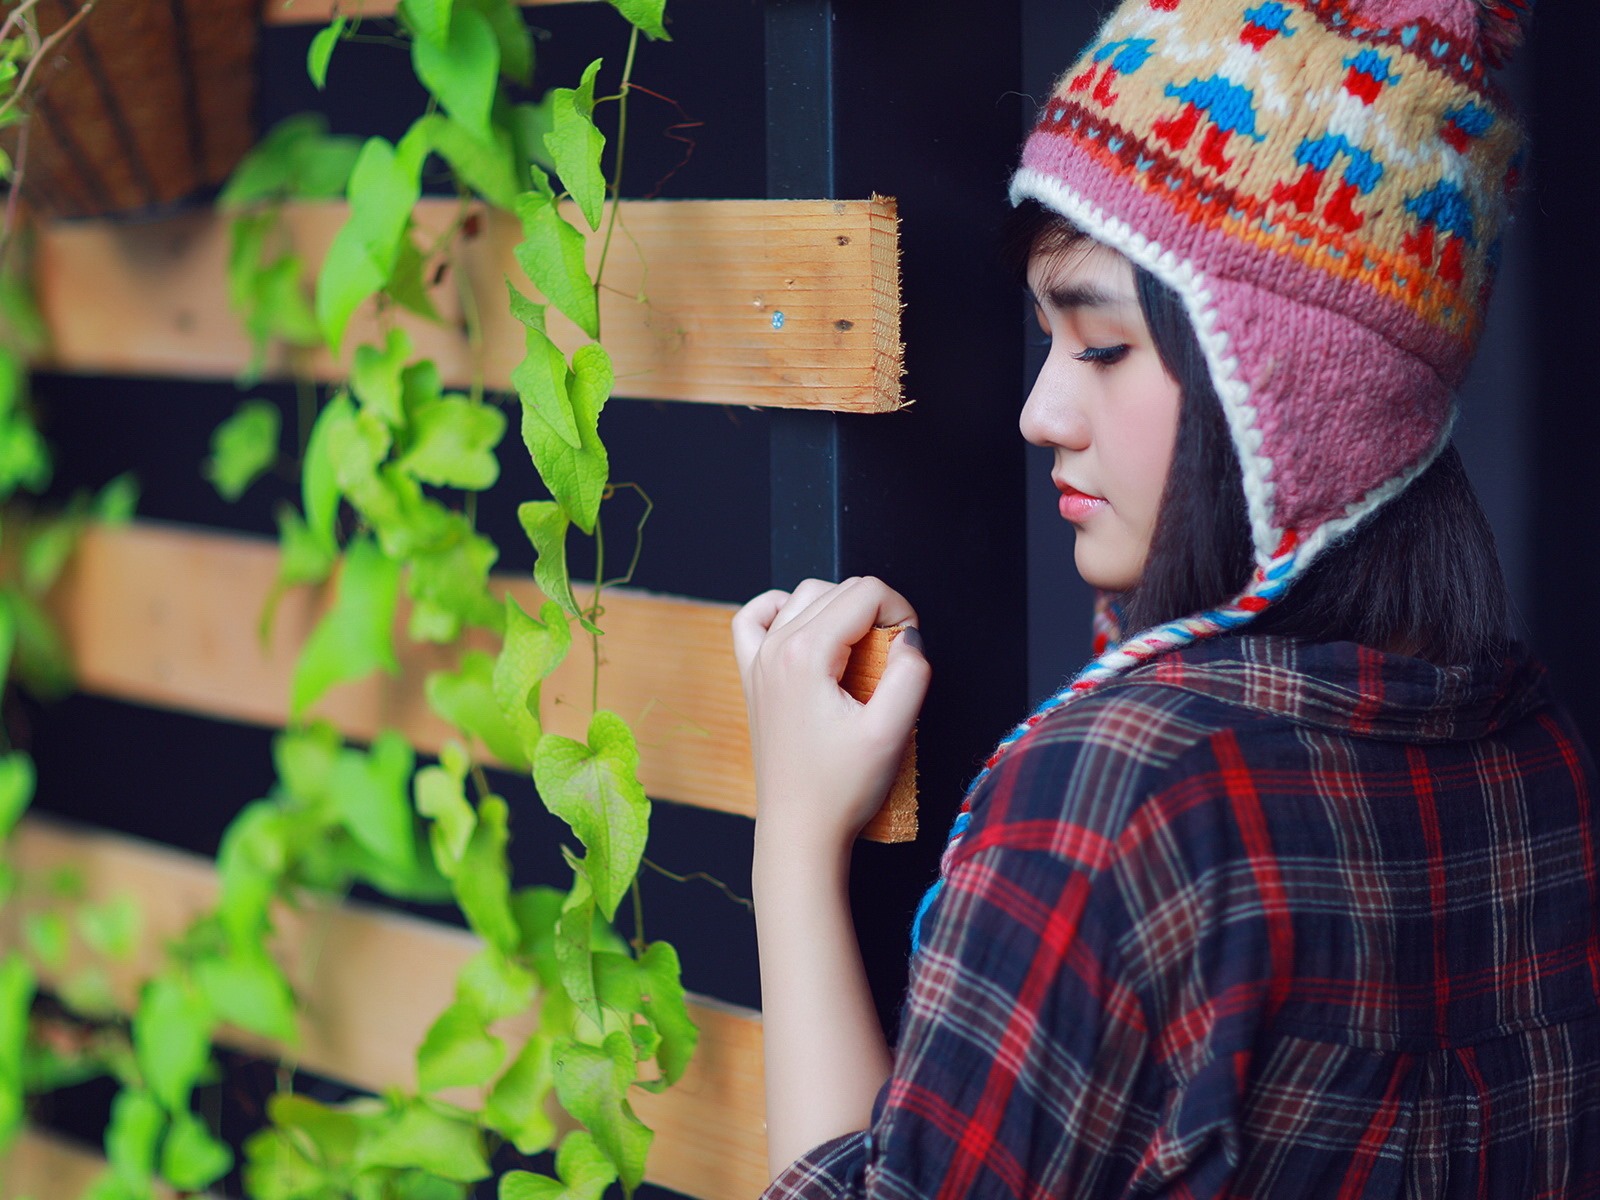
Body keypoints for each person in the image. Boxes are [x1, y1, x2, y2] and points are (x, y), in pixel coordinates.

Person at [733, 0, 1600, 1195]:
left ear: (1296, 390)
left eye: (1100, 347)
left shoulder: (1120, 790)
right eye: (1046, 341)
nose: (1041, 412)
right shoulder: (1536, 756)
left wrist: (790, 843)